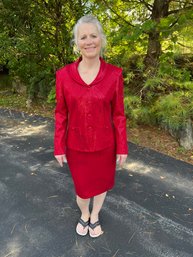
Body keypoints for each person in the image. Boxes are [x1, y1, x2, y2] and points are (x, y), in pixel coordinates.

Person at [54, 15, 128, 238]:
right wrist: (58, 146)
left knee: (101, 184)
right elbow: (61, 114)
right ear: (77, 43)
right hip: (76, 146)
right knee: (83, 187)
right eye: (83, 37)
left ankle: (95, 215)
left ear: (101, 39)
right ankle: (84, 213)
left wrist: (122, 146)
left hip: (105, 145)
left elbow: (118, 114)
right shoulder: (63, 76)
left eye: (93, 36)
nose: (89, 41)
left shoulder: (114, 75)